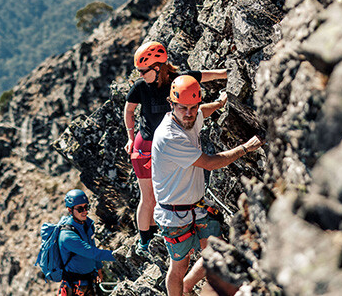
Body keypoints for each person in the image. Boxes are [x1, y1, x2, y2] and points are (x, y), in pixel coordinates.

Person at [151, 75, 263, 296]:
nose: (189, 113)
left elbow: (203, 112)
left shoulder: (190, 118)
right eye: (183, 108)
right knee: (179, 266)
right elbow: (210, 163)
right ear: (171, 104)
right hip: (174, 215)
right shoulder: (169, 136)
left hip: (196, 207)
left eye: (193, 107)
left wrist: (220, 104)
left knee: (215, 253)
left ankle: (187, 286)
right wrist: (246, 148)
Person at [123, 41, 227, 256]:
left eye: (143, 71)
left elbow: (201, 75)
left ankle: (163, 233)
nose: (140, 75)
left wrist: (226, 74)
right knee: (149, 196)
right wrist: (130, 138)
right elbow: (129, 111)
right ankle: (146, 242)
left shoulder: (178, 82)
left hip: (169, 143)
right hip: (146, 145)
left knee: (168, 190)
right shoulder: (140, 87)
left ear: (157, 68)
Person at [58, 189, 116, 296]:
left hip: (88, 280)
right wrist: (118, 255)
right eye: (80, 209)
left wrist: (98, 268)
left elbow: (92, 245)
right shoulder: (67, 236)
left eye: (86, 207)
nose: (85, 211)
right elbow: (92, 252)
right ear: (70, 210)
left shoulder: (87, 224)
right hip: (75, 285)